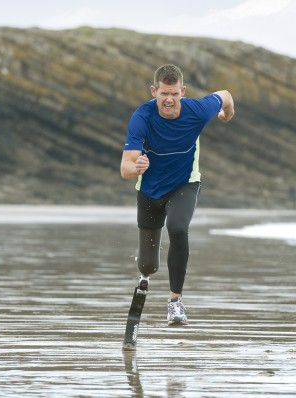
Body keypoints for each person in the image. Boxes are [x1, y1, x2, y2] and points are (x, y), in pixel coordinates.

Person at [120, 64, 235, 325]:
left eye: (174, 94)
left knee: (178, 228)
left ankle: (175, 302)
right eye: (163, 94)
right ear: (154, 92)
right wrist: (135, 167)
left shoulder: (198, 110)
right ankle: (145, 276)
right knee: (148, 265)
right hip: (149, 191)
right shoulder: (142, 117)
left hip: (185, 184)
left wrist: (227, 114)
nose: (169, 100)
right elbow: (125, 168)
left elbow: (226, 95)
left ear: (182, 91)